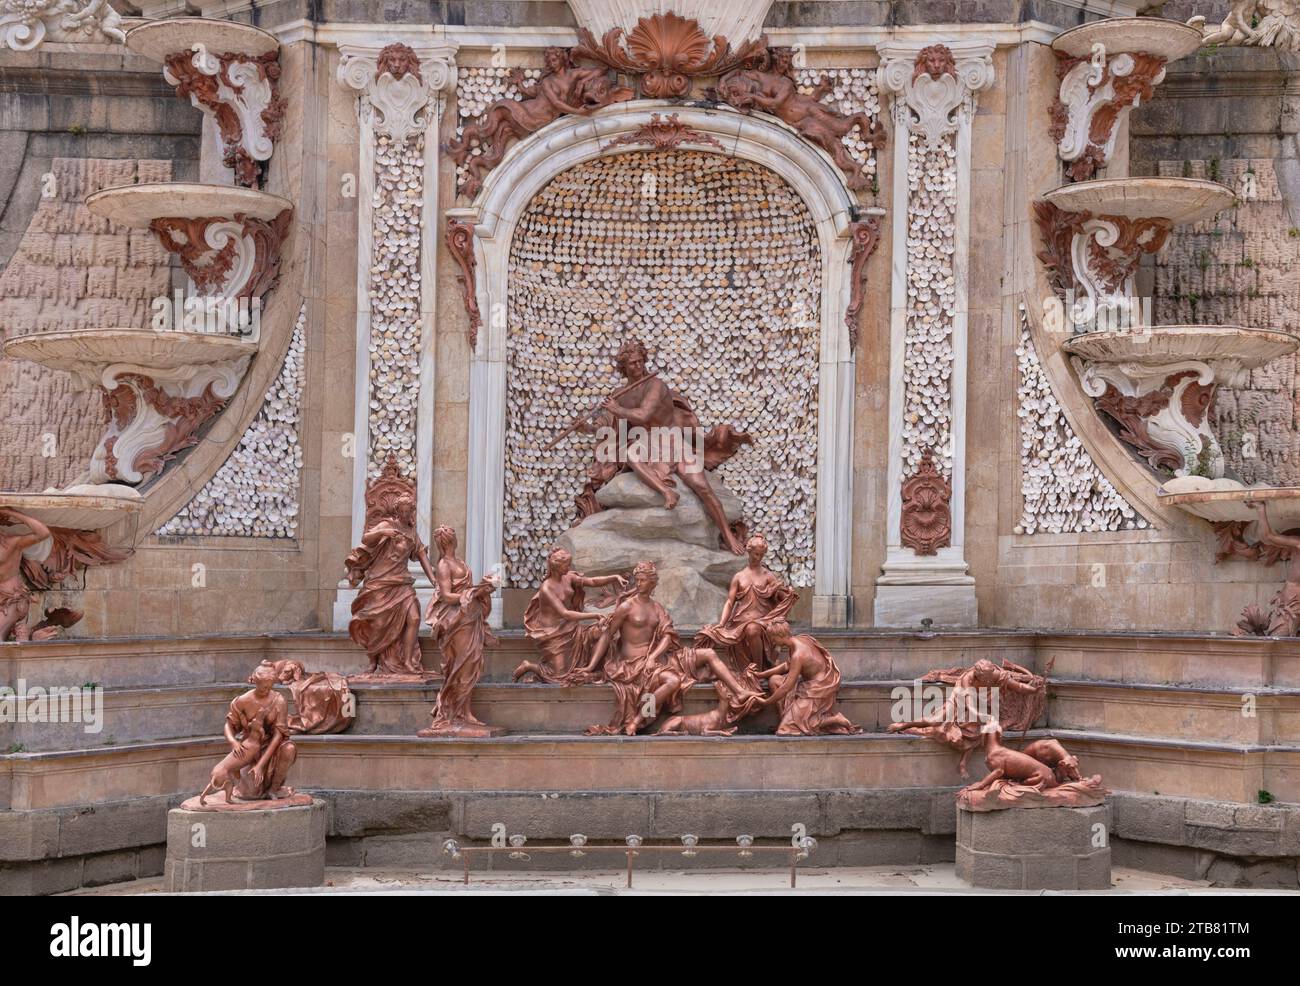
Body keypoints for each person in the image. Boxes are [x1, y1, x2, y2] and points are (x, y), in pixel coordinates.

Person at [572, 336, 750, 552]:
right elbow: (613, 430)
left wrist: (617, 409)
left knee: (702, 485)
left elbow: (644, 415)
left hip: (671, 439)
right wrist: (588, 429)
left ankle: (727, 536)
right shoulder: (621, 395)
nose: (638, 366)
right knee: (630, 454)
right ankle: (667, 492)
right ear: (623, 367)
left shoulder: (655, 385)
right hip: (647, 441)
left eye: (640, 361)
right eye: (632, 363)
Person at [345, 455, 437, 677]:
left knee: (414, 618)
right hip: (380, 582)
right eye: (405, 511)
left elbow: (423, 556)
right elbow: (366, 539)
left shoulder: (412, 532)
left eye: (411, 510)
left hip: (402, 583)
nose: (408, 514)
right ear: (398, 511)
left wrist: (435, 581)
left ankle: (407, 661)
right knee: (377, 623)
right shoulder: (386, 525)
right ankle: (373, 660)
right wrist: (383, 532)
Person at [420, 525, 502, 736]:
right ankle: (452, 713)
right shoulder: (443, 565)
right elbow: (446, 596)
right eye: (452, 536)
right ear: (448, 541)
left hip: (470, 617)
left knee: (472, 664)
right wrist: (474, 593)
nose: (455, 538)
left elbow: (466, 591)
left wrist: (482, 588)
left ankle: (465, 713)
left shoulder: (460, 562)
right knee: (460, 665)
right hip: (455, 621)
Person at [514, 547, 625, 683]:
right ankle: (530, 666)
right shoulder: (547, 588)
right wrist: (595, 615)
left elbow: (592, 582)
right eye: (566, 565)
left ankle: (591, 668)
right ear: (556, 567)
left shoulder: (568, 577)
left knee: (604, 631)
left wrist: (614, 577)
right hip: (554, 634)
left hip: (572, 629)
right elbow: (565, 613)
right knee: (559, 677)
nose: (569, 568)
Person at [697, 532, 797, 671]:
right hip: (740, 621)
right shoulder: (739, 577)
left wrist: (787, 594)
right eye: (756, 554)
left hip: (762, 622)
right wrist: (721, 623)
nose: (759, 558)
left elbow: (781, 599)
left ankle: (758, 669)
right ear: (749, 552)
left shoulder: (768, 576)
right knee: (707, 634)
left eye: (761, 555)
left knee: (752, 629)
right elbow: (730, 602)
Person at [757, 620, 861, 736]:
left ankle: (835, 719)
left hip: (819, 688)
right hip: (809, 683)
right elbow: (787, 665)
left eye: (772, 638)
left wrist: (766, 701)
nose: (772, 641)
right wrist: (761, 675)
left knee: (785, 729)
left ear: (780, 636)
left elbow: (786, 687)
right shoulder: (800, 639)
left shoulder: (798, 655)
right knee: (774, 680)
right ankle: (788, 718)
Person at [1246, 499, 1300, 635]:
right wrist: (1260, 509)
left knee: (1279, 641)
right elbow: (1267, 537)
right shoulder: (1298, 544)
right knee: (1278, 639)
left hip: (1293, 602)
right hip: (1291, 602)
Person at [0, 508, 51, 642]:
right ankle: (28, 635)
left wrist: (11, 511)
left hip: (11, 600)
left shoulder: (11, 543)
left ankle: (29, 639)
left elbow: (43, 533)